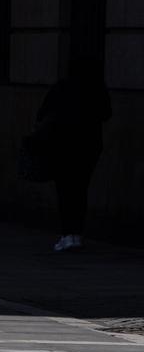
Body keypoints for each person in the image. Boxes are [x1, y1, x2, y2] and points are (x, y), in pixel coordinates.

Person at [35, 71, 112, 252]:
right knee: (80, 189)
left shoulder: (62, 87)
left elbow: (43, 113)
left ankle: (67, 234)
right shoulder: (96, 89)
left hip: (63, 145)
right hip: (88, 146)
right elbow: (106, 113)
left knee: (64, 190)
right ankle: (76, 234)